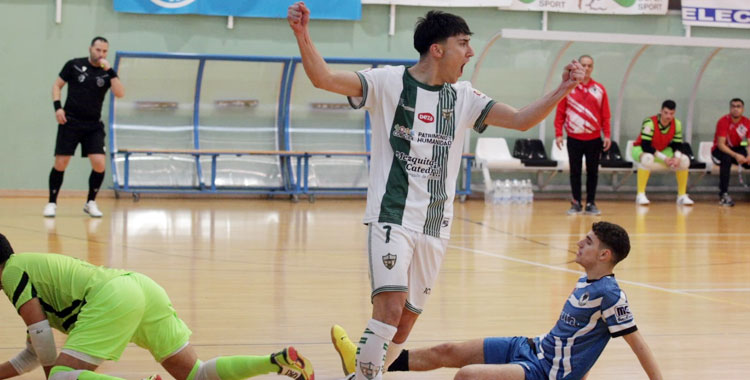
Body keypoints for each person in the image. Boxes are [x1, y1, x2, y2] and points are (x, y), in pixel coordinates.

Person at [287, 3, 585, 380]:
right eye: (464, 43)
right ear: (437, 49)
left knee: (406, 323)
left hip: (435, 225)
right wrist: (302, 34)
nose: (471, 52)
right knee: (390, 310)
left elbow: (521, 119)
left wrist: (563, 88)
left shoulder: (464, 97)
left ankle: (361, 363)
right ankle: (363, 376)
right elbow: (324, 78)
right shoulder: (387, 82)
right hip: (392, 214)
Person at [338, 222, 663, 380]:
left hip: (543, 372)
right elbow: (580, 344)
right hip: (533, 347)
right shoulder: (585, 280)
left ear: (605, 255)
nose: (579, 243)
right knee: (446, 351)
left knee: (466, 376)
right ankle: (368, 363)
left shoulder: (610, 295)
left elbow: (639, 345)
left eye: (588, 242)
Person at [0, 232, 314, 380]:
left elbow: (42, 337)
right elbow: (34, 353)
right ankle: (275, 361)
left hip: (113, 297)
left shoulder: (12, 270)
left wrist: (54, 376)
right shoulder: (31, 277)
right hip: (140, 288)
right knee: (197, 375)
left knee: (61, 378)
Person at [44, 36, 125, 219]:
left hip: (93, 125)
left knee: (99, 163)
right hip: (70, 122)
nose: (101, 54)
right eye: (98, 50)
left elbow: (120, 93)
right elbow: (57, 85)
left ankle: (91, 202)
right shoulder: (74, 65)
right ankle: (51, 202)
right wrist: (58, 108)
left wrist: (111, 70)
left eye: (105, 51)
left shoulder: (107, 73)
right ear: (90, 49)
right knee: (61, 163)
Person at [554, 54, 611, 216]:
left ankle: (591, 203)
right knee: (575, 172)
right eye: (583, 65)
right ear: (578, 67)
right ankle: (576, 203)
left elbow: (605, 114)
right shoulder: (569, 88)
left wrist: (607, 135)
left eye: (589, 66)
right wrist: (559, 133)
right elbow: (560, 112)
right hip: (574, 138)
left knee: (593, 172)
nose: (586, 68)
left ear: (592, 68)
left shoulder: (599, 89)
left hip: (593, 139)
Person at [630, 100, 693, 206]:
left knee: (684, 160)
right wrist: (664, 158)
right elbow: (646, 146)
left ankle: (682, 196)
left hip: (662, 149)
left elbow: (677, 144)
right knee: (647, 159)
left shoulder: (677, 124)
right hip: (641, 149)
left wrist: (677, 157)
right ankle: (640, 194)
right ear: (661, 111)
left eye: (671, 113)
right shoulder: (649, 123)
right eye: (666, 113)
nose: (668, 116)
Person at [711, 98, 750, 207]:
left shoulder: (747, 122)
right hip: (720, 150)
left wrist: (749, 156)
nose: (736, 109)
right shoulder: (723, 121)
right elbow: (721, 144)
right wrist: (736, 155)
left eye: (738, 106)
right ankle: (723, 194)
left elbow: (749, 143)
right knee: (726, 160)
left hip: (737, 148)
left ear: (743, 109)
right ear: (730, 108)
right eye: (733, 106)